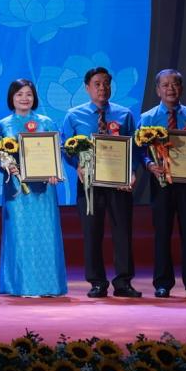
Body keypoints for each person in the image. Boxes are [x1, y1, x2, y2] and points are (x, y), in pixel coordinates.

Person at [60, 66, 141, 298]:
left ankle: (124, 281)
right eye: (97, 83)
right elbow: (66, 147)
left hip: (119, 184)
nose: (102, 88)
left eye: (106, 83)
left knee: (123, 232)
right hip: (89, 185)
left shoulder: (124, 114)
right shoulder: (73, 116)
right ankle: (97, 282)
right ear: (87, 88)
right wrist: (77, 165)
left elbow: (134, 147)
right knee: (92, 233)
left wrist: (132, 171)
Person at [140, 69, 186, 298]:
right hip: (162, 183)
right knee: (162, 233)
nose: (170, 88)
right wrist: (150, 165)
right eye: (165, 85)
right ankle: (162, 283)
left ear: (181, 88)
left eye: (175, 84)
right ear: (157, 90)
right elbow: (140, 150)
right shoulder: (148, 118)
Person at [0, 78, 67, 297]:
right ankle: (22, 285)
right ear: (11, 98)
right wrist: (5, 164)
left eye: (29, 94)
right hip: (17, 189)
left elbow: (56, 152)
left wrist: (56, 172)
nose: (24, 98)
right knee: (20, 235)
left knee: (46, 233)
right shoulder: (3, 125)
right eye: (19, 94)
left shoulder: (47, 122)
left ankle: (50, 286)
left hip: (44, 189)